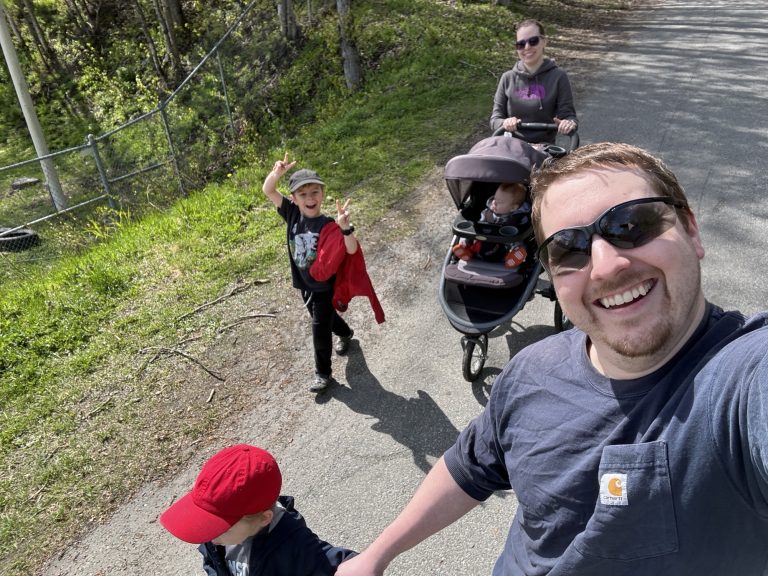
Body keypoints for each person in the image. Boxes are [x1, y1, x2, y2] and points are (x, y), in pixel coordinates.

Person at [336, 142, 768, 575]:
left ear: (691, 230)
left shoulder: (742, 378)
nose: (605, 265)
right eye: (568, 248)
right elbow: (470, 465)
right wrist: (375, 556)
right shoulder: (530, 370)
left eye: (632, 224)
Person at [262, 153, 385, 393]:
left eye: (314, 192)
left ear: (322, 194)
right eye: (303, 194)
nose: (310, 198)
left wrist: (345, 228)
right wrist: (277, 173)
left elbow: (351, 249)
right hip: (304, 283)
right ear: (293, 198)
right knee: (323, 319)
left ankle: (322, 373)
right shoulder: (292, 214)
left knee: (319, 328)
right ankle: (346, 333)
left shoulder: (328, 225)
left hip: (325, 286)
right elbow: (268, 190)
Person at [160, 444, 357, 575]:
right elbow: (212, 561)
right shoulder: (219, 538)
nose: (211, 538)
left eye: (221, 529)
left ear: (264, 518)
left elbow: (348, 565)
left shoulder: (295, 546)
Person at [490, 19, 578, 144]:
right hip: (511, 146)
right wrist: (504, 122)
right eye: (521, 44)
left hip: (543, 147)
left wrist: (568, 123)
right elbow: (495, 119)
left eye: (533, 41)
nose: (527, 47)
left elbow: (568, 115)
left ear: (544, 41)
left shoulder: (558, 77)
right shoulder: (507, 78)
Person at [451, 181, 530, 269]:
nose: (494, 203)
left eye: (499, 202)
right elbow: (480, 224)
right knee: (470, 232)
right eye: (494, 199)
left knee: (518, 242)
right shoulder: (487, 213)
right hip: (484, 242)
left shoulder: (519, 217)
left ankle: (513, 256)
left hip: (504, 247)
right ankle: (464, 247)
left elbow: (524, 228)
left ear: (513, 208)